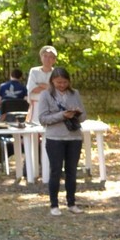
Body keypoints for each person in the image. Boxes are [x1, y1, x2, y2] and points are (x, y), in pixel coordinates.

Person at [37, 65, 86, 215]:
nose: (62, 85)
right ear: (52, 81)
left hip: (74, 137)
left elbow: (84, 116)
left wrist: (76, 113)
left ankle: (71, 203)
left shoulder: (75, 93)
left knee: (72, 171)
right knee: (56, 171)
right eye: (58, 82)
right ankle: (54, 205)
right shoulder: (46, 95)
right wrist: (62, 115)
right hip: (55, 138)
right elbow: (42, 119)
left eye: (64, 82)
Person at [24, 45, 58, 117]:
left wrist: (40, 85)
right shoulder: (34, 71)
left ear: (54, 60)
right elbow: (32, 89)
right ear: (41, 58)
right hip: (36, 107)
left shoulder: (57, 73)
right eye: (45, 56)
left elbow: (57, 90)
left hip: (52, 108)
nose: (47, 59)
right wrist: (49, 87)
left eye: (50, 57)